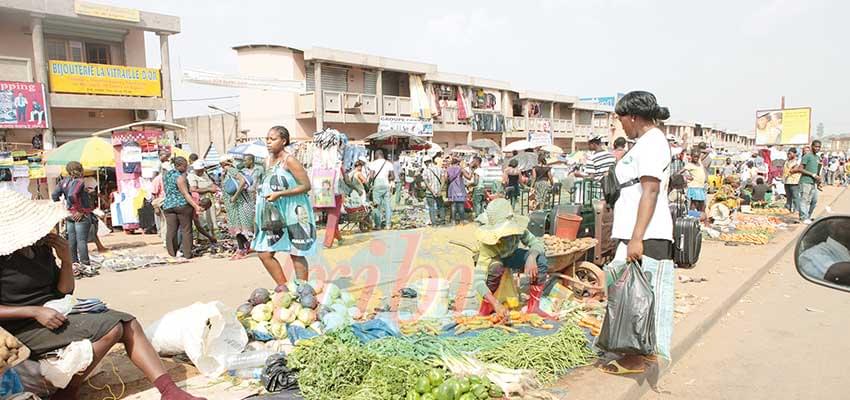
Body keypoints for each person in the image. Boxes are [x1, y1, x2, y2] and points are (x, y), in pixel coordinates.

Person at [0, 190, 205, 400]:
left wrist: (66, 260)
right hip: (21, 328)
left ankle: (169, 391)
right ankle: (66, 393)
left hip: (53, 315)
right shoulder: (3, 259)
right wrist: (34, 311)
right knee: (112, 328)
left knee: (128, 322)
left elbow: (64, 290)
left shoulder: (41, 248)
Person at [603, 91, 675, 375]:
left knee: (636, 297)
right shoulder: (645, 143)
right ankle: (640, 351)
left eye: (621, 119)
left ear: (633, 117)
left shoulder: (652, 143)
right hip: (636, 231)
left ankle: (634, 357)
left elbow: (651, 189)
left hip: (646, 233)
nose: (621, 126)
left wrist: (636, 237)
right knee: (630, 292)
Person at [253, 126, 316, 287]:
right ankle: (284, 287)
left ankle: (302, 289)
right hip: (273, 212)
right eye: (267, 139)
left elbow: (306, 186)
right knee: (264, 253)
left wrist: (280, 194)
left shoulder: (290, 161)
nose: (268, 142)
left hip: (293, 209)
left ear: (283, 141)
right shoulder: (266, 161)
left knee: (296, 252)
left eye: (272, 139)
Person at [473, 199, 549, 321]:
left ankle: (533, 307)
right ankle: (485, 307)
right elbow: (478, 281)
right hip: (496, 260)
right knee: (496, 266)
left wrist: (532, 257)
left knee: (541, 260)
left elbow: (536, 243)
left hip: (511, 255)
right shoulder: (487, 245)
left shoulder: (518, 230)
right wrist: (495, 304)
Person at [51, 161, 94, 273]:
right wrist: (78, 210)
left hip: (69, 215)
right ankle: (85, 265)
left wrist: (64, 208)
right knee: (81, 241)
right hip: (80, 215)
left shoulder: (63, 182)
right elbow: (72, 195)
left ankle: (74, 265)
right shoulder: (79, 181)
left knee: (72, 241)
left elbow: (54, 195)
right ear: (80, 169)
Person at [162, 157, 202, 259]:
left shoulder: (167, 175)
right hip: (182, 205)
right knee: (186, 229)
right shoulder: (180, 177)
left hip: (168, 205)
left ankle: (172, 253)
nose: (187, 167)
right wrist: (196, 206)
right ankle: (187, 253)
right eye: (185, 165)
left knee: (171, 230)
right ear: (179, 166)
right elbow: (185, 194)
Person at [221, 156, 255, 259]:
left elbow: (242, 181)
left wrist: (235, 196)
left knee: (238, 227)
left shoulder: (231, 170)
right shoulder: (227, 172)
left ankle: (241, 250)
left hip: (238, 203)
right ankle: (245, 246)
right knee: (237, 226)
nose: (222, 166)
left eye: (223, 164)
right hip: (234, 205)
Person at [187, 160, 218, 239]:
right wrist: (208, 189)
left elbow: (212, 185)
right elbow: (193, 189)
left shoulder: (204, 174)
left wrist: (212, 188)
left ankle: (211, 236)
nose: (200, 171)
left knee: (210, 219)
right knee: (202, 220)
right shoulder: (192, 176)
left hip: (208, 200)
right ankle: (202, 238)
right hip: (200, 201)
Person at [796, 140, 823, 224]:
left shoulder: (817, 158)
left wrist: (819, 182)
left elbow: (818, 171)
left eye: (819, 147)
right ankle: (804, 217)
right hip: (805, 181)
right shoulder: (807, 156)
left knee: (814, 201)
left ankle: (807, 216)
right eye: (816, 146)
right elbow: (800, 169)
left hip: (813, 182)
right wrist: (812, 175)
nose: (817, 148)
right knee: (804, 200)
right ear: (812, 146)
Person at [368, 150, 394, 230]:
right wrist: (386, 178)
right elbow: (393, 177)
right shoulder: (389, 163)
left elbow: (371, 177)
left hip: (377, 185)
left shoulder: (373, 163)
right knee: (387, 206)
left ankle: (378, 225)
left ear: (377, 154)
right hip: (386, 185)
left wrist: (369, 184)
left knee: (376, 206)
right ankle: (388, 225)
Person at [446, 157, 472, 224]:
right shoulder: (460, 169)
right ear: (458, 162)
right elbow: (469, 177)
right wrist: (471, 170)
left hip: (451, 188)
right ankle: (462, 219)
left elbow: (446, 179)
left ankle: (453, 220)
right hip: (459, 188)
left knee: (453, 205)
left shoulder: (448, 169)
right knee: (460, 205)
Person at [421, 157, 444, 225]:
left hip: (430, 192)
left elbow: (426, 183)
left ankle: (434, 222)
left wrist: (432, 191)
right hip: (438, 191)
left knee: (431, 207)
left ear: (425, 163)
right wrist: (440, 189)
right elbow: (443, 180)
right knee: (441, 206)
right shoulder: (439, 169)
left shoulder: (425, 171)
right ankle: (442, 220)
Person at [783, 148, 802, 214]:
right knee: (788, 196)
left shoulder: (797, 161)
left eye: (790, 154)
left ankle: (796, 210)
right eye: (788, 153)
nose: (788, 155)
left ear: (794, 154)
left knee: (795, 196)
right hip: (786, 181)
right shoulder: (786, 161)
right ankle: (788, 209)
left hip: (794, 181)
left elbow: (798, 169)